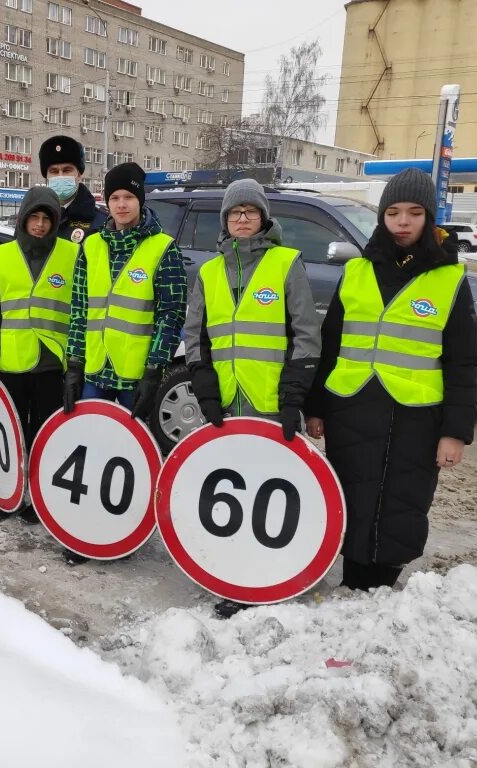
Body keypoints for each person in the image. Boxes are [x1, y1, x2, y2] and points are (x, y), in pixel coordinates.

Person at [305, 167, 477, 592]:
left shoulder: (449, 278)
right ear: (382, 217)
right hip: (353, 407)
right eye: (394, 212)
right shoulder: (358, 271)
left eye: (414, 212)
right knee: (351, 494)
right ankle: (352, 579)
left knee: (404, 499)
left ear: (429, 217)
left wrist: (455, 433)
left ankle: (383, 584)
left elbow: (463, 363)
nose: (403, 222)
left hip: (416, 415)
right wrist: (316, 408)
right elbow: (331, 346)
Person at [183, 178, 321, 619]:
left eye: (250, 211)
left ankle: (272, 571)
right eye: (234, 212)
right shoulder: (207, 272)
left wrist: (293, 395)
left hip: (269, 403)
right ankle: (235, 572)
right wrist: (204, 389)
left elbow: (305, 334)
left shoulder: (285, 264)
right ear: (224, 220)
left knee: (273, 492)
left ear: (264, 217)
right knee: (232, 490)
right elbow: (196, 337)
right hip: (225, 403)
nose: (242, 219)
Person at [62, 161, 187, 564]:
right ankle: (86, 531)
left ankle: (125, 531)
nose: (120, 204)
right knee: (91, 449)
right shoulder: (91, 246)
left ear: (140, 199)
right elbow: (79, 308)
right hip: (96, 370)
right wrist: (73, 363)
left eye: (128, 197)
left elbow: (172, 314)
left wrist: (156, 368)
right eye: (114, 197)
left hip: (135, 372)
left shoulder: (163, 248)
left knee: (133, 457)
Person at [0, 186, 76, 524]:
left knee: (44, 435)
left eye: (45, 218)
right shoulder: (3, 256)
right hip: (13, 361)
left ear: (54, 222)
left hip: (52, 361)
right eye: (33, 217)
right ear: (23, 219)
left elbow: (80, 308)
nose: (39, 225)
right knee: (13, 433)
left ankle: (38, 497)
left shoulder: (72, 254)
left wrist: (75, 359)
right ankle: (10, 495)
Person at [38, 135, 107, 245]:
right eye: (54, 171)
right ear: (46, 177)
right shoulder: (33, 217)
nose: (60, 176)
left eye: (67, 170)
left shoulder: (101, 222)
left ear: (79, 175)